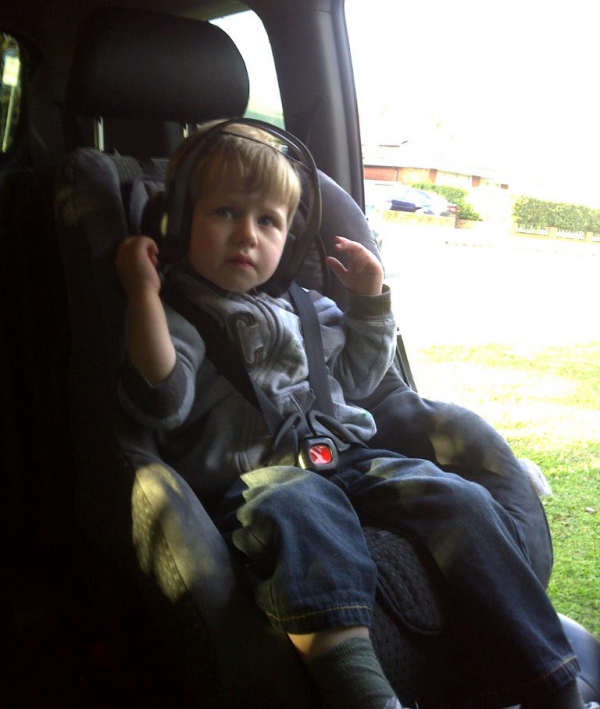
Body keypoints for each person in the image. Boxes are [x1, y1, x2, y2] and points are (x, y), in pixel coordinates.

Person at [115, 121, 589, 709]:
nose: (246, 234)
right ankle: (361, 692)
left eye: (268, 221)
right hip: (259, 476)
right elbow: (161, 401)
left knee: (458, 497)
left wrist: (368, 302)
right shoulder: (177, 315)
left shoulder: (307, 308)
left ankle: (551, 682)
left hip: (348, 458)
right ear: (178, 223)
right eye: (224, 213)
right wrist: (143, 295)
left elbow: (360, 382)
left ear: (291, 241)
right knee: (303, 507)